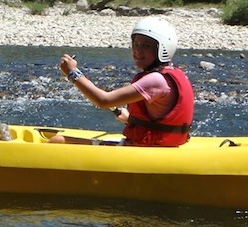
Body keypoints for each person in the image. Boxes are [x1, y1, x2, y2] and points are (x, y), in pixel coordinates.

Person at [51, 16, 194, 146]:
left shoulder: (156, 80)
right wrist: (131, 119)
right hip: (159, 145)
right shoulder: (170, 74)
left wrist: (72, 73)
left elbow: (103, 101)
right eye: (136, 44)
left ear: (163, 49)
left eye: (146, 46)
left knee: (57, 141)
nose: (137, 51)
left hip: (144, 149)